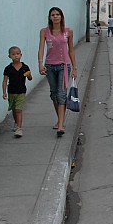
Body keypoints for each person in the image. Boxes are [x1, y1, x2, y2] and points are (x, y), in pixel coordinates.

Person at [38, 7, 77, 137]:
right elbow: (41, 49)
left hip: (63, 66)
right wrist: (40, 64)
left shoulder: (68, 31)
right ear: (50, 17)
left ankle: (60, 125)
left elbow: (71, 50)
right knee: (54, 94)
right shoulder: (44, 32)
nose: (55, 17)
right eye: (53, 15)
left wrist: (75, 68)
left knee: (61, 94)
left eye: (58, 14)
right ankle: (60, 119)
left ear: (61, 17)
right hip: (49, 66)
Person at [2, 46, 33, 138]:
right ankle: (16, 122)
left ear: (21, 55)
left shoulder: (25, 67)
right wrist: (4, 92)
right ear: (9, 56)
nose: (16, 56)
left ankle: (19, 128)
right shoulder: (8, 69)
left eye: (17, 54)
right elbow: (4, 81)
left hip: (21, 92)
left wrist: (29, 75)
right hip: (11, 92)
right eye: (13, 54)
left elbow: (30, 78)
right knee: (14, 109)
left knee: (19, 109)